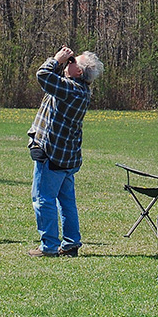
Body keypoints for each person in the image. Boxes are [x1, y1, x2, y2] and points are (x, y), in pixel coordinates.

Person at [27, 46, 104, 257]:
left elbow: (42, 75)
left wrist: (56, 59)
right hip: (68, 156)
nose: (68, 63)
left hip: (52, 153)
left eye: (72, 62)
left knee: (43, 199)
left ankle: (49, 246)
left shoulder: (70, 88)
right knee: (67, 201)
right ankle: (71, 243)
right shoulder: (80, 90)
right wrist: (63, 64)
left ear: (79, 72)